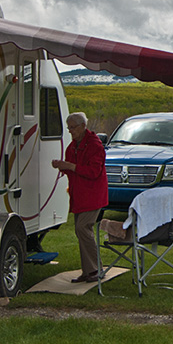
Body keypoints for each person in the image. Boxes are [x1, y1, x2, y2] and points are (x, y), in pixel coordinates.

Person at [51, 112, 108, 283]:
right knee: (80, 230)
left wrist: (70, 166)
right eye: (69, 128)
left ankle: (96, 269)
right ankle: (89, 270)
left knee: (83, 228)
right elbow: (73, 168)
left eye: (73, 127)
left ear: (83, 126)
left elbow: (93, 172)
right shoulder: (74, 146)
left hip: (93, 195)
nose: (70, 131)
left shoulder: (94, 145)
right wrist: (62, 166)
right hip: (79, 196)